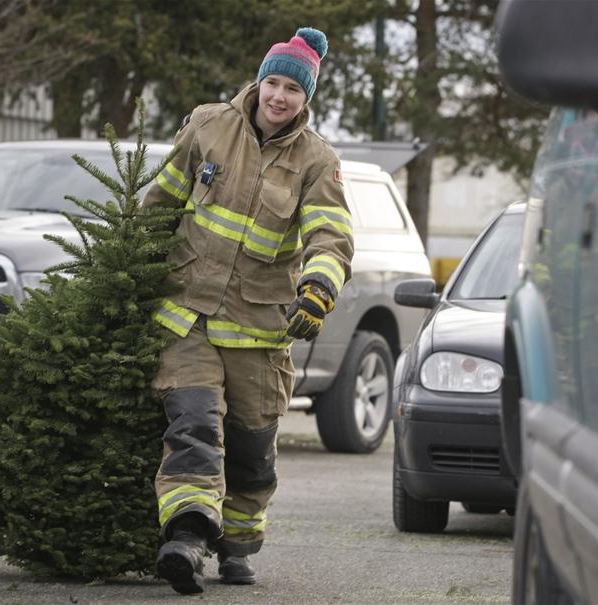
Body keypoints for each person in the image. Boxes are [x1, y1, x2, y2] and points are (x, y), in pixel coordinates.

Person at [141, 27, 353, 594]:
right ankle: (185, 539)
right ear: (259, 82)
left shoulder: (317, 160)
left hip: (259, 330)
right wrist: (124, 268)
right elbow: (159, 202)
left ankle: (235, 547)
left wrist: (318, 290)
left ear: (307, 99)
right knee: (193, 425)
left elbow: (330, 236)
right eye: (273, 83)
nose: (279, 97)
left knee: (253, 451)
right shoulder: (209, 125)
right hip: (187, 317)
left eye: (293, 90)